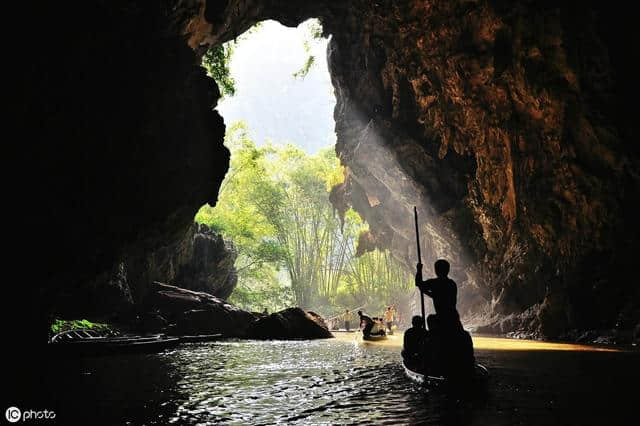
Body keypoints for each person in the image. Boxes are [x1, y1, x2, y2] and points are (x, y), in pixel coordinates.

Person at [415, 259, 462, 332]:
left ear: (436, 270)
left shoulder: (435, 283)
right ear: (448, 270)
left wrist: (419, 270)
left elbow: (418, 283)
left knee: (430, 319)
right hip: (453, 316)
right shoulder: (452, 283)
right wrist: (425, 291)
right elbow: (439, 296)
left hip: (441, 317)